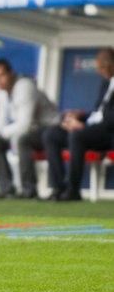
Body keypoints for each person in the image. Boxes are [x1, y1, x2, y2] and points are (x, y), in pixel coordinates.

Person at [0, 58, 60, 200]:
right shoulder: (1, 93)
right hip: (31, 130)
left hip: (49, 128)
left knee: (22, 139)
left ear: (11, 74)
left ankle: (29, 189)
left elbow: (24, 124)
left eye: (1, 76)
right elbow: (0, 122)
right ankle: (6, 189)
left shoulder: (25, 86)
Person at [41, 47, 114, 201]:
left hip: (108, 133)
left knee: (77, 135)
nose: (99, 72)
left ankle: (72, 190)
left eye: (102, 68)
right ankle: (58, 187)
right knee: (52, 134)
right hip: (92, 129)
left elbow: (110, 120)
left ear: (112, 66)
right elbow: (98, 113)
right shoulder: (106, 83)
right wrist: (80, 116)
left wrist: (84, 127)